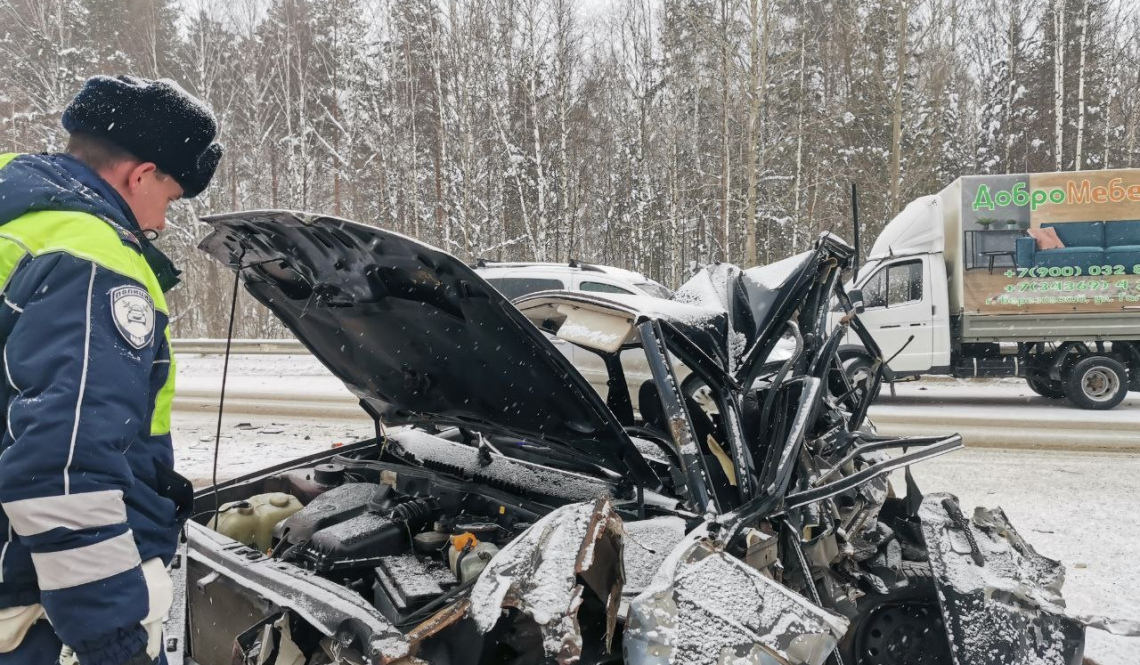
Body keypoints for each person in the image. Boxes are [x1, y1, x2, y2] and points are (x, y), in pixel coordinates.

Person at [0, 76, 222, 665]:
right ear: (140, 175)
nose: (164, 222)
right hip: (32, 599)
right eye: (171, 199)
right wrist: (112, 638)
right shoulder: (91, 260)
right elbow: (65, 471)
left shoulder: (18, 216)